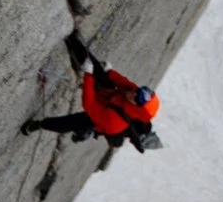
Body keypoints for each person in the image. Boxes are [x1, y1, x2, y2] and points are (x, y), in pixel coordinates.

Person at [21, 33, 163, 157]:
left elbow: (89, 104)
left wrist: (88, 75)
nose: (134, 92)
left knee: (71, 122)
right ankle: (73, 41)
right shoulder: (136, 95)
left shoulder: (115, 122)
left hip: (101, 118)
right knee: (97, 69)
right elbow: (123, 82)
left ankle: (37, 125)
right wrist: (109, 72)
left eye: (136, 97)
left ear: (136, 107)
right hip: (110, 98)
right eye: (138, 90)